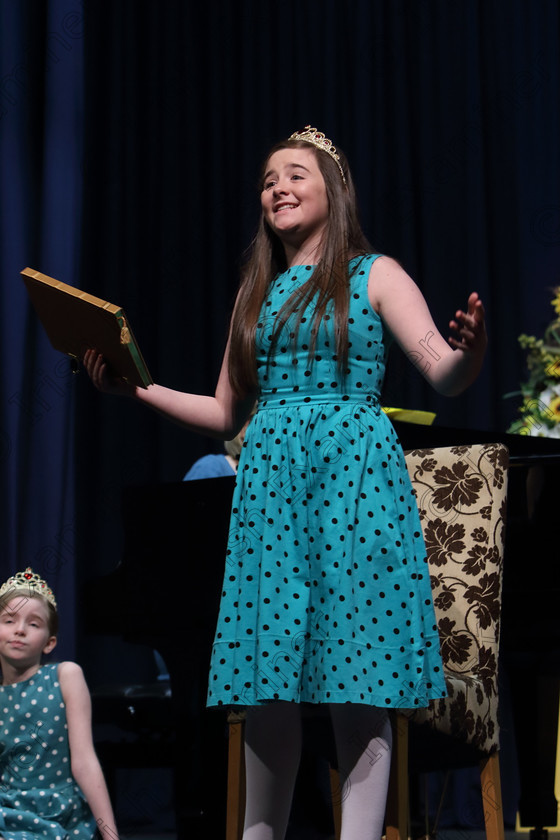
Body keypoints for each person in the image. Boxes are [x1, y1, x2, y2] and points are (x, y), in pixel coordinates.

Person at [83, 124, 487, 840]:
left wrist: (469, 353)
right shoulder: (255, 292)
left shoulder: (373, 273)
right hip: (271, 490)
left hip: (354, 488)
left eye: (296, 175)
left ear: (333, 190)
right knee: (267, 687)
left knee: (356, 687)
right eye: (270, 179)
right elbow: (222, 410)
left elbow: (443, 371)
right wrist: (135, 390)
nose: (279, 187)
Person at [0, 568, 119, 840]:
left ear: (49, 642)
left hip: (56, 813)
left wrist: (111, 835)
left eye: (33, 624)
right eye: (9, 620)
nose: (19, 630)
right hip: (6, 812)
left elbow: (84, 762)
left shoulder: (65, 676)